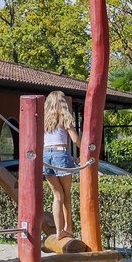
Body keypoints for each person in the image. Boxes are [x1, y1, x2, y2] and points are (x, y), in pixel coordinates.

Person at [42, 90, 83, 237]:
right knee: (66, 194)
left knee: (57, 196)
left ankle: (59, 231)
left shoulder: (44, 120)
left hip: (46, 155)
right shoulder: (65, 117)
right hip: (61, 154)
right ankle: (68, 228)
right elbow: (75, 140)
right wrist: (85, 150)